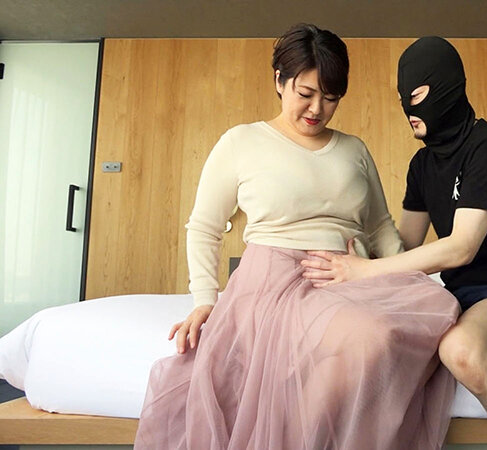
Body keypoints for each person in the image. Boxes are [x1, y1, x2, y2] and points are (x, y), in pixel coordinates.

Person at [134, 25, 459, 450]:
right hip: (275, 281)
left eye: (330, 97)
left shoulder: (354, 149)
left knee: (441, 306)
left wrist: (402, 280)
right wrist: (204, 300)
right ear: (279, 81)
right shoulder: (242, 141)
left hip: (353, 276)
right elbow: (204, 227)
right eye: (305, 93)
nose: (317, 109)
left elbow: (380, 226)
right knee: (372, 335)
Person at [301, 36, 487, 449]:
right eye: (402, 100)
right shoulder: (422, 164)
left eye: (417, 96)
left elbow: (462, 247)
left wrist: (366, 270)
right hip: (456, 295)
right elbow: (405, 246)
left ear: (447, 87)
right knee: (375, 345)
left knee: (460, 350)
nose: (409, 110)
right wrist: (351, 251)